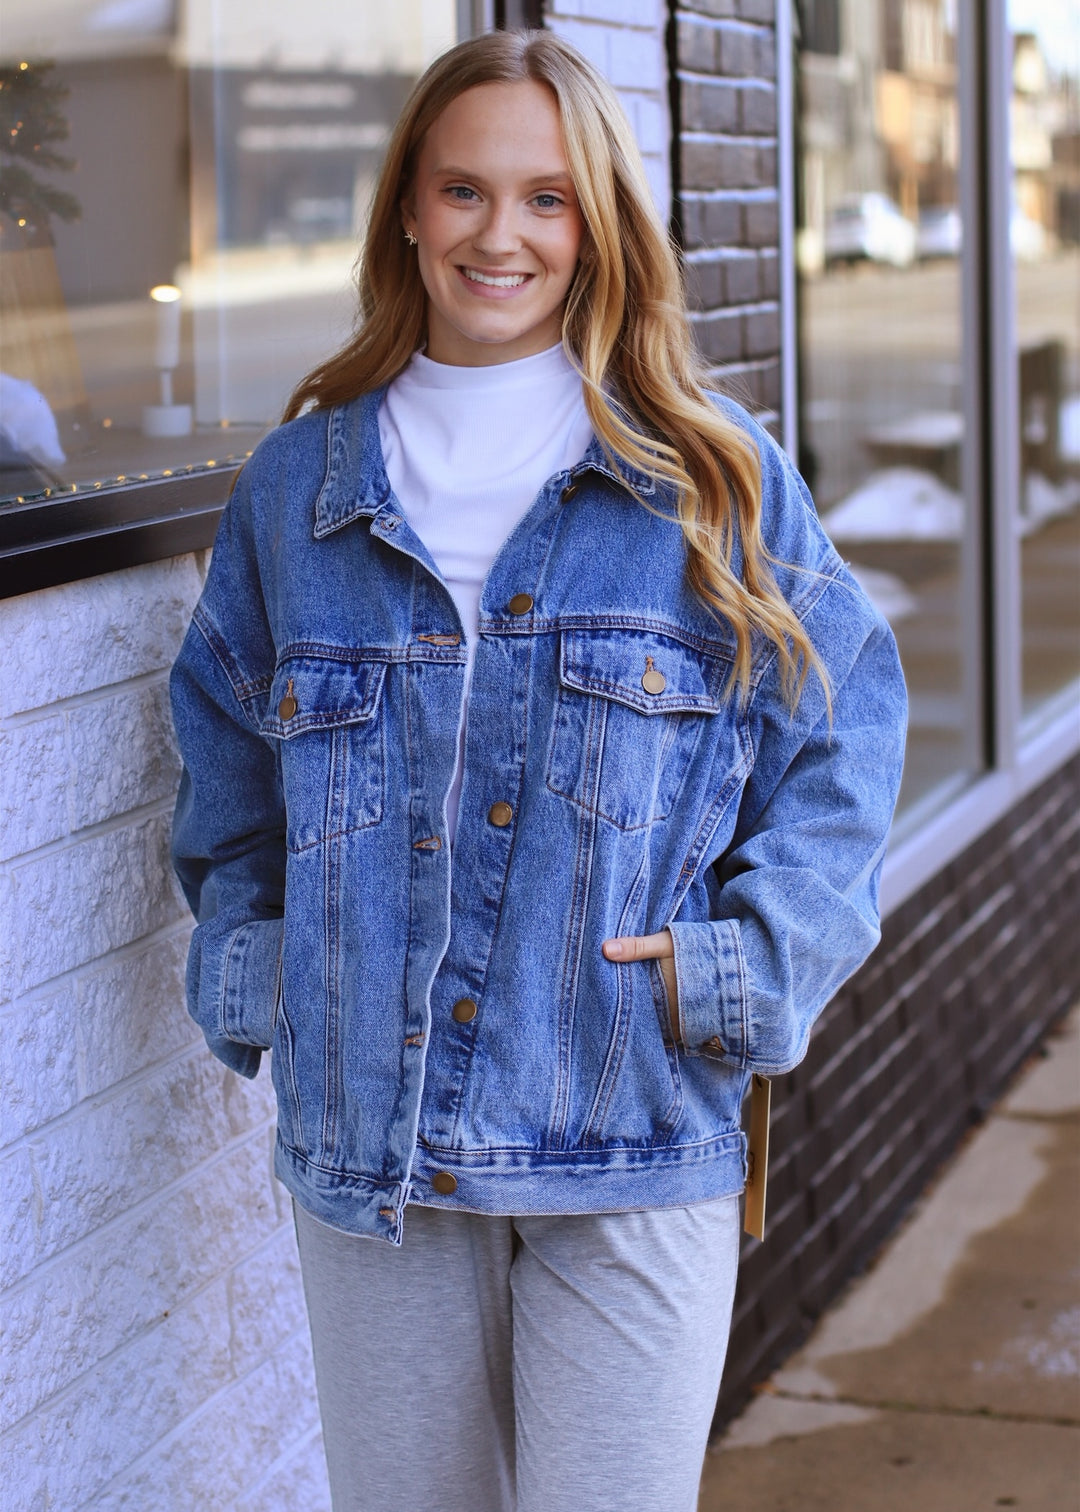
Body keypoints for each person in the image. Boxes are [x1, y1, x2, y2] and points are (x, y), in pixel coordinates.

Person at [169, 28, 907, 1512]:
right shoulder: (297, 495)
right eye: (462, 191)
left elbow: (840, 741)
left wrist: (741, 971)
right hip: (374, 1156)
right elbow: (226, 768)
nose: (500, 234)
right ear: (407, 213)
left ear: (601, 225)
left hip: (633, 1134)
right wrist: (266, 975)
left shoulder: (713, 481)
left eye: (547, 199)